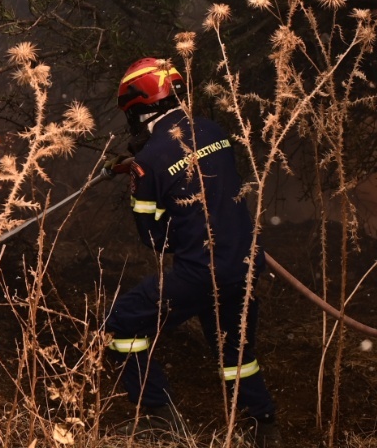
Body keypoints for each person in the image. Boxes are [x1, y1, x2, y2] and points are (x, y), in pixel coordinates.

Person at [104, 57, 281, 447]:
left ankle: (159, 417)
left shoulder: (148, 163)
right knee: (234, 351)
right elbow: (199, 178)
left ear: (142, 109)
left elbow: (156, 240)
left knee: (122, 324)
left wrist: (139, 181)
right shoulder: (213, 129)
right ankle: (265, 426)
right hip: (248, 263)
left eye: (132, 116)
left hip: (201, 270)